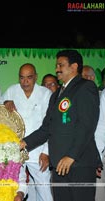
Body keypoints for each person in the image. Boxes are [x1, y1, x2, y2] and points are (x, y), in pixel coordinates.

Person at [20, 49, 101, 201]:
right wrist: (23, 143)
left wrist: (71, 156)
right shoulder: (56, 94)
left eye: (60, 65)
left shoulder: (85, 87)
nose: (57, 69)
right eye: (56, 65)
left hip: (79, 163)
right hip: (58, 165)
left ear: (74, 66)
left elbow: (87, 125)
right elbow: (46, 129)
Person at [1, 63, 53, 201]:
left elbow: (50, 125)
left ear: (36, 77)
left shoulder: (46, 94)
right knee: (19, 187)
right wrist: (4, 103)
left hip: (38, 149)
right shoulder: (11, 91)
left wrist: (46, 152)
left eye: (29, 77)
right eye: (22, 78)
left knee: (44, 188)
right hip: (15, 148)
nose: (25, 82)